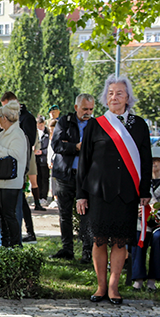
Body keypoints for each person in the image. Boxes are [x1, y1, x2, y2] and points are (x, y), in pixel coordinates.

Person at [77, 75, 151, 305]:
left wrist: (144, 191)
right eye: (110, 93)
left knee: (120, 241)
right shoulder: (96, 124)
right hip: (99, 192)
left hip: (127, 193)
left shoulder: (139, 125)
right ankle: (100, 286)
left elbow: (146, 159)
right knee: (99, 240)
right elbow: (84, 161)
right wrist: (81, 194)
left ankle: (113, 286)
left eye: (119, 93)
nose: (114, 97)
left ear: (128, 97)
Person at [50, 93, 95, 261]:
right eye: (84, 109)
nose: (88, 112)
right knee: (65, 214)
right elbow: (56, 144)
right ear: (76, 107)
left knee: (87, 215)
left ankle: (87, 250)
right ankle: (67, 248)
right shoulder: (64, 122)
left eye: (91, 109)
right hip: (65, 174)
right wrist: (75, 147)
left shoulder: (95, 125)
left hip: (86, 177)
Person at [129, 145, 160, 291]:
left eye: (158, 160)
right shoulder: (142, 179)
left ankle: (152, 280)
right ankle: (138, 279)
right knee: (138, 237)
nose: (154, 163)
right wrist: (138, 210)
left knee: (159, 238)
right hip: (142, 222)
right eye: (151, 160)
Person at [0, 100, 28, 247]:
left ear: (5, 118)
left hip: (10, 181)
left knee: (9, 215)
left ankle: (15, 244)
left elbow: (16, 155)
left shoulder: (17, 134)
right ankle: (5, 244)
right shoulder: (3, 134)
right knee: (1, 215)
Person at [0, 92, 38, 240]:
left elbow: (29, 143)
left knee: (19, 200)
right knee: (17, 200)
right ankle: (24, 232)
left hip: (19, 164)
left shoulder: (26, 118)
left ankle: (27, 233)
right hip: (7, 164)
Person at [35, 116, 50, 211]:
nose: (39, 127)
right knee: (38, 178)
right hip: (37, 159)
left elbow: (49, 146)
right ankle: (39, 196)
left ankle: (44, 196)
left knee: (44, 178)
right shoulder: (36, 133)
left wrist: (42, 152)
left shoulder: (47, 133)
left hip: (44, 159)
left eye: (41, 125)